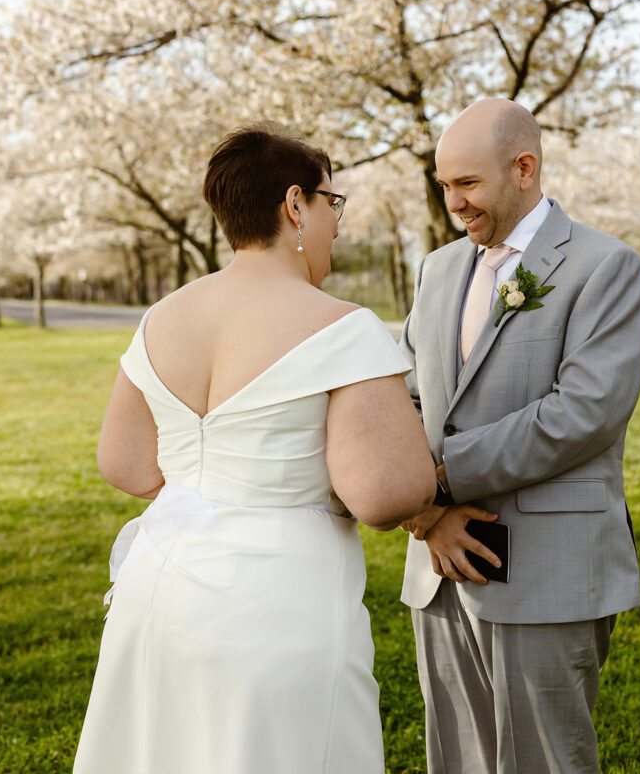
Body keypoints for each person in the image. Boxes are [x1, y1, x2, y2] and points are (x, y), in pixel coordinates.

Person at [73, 124, 436, 774]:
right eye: (333, 202)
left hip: (160, 591)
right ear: (294, 204)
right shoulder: (341, 327)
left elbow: (124, 463)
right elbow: (384, 494)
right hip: (278, 602)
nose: (336, 222)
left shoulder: (163, 316)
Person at [399, 98, 640, 774]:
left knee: (546, 761)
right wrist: (425, 515)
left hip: (550, 566)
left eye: (467, 184)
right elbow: (409, 397)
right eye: (443, 185)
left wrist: (440, 476)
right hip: (440, 563)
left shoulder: (605, 266)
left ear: (524, 168)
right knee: (455, 757)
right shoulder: (437, 270)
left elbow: (584, 413)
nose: (453, 201)